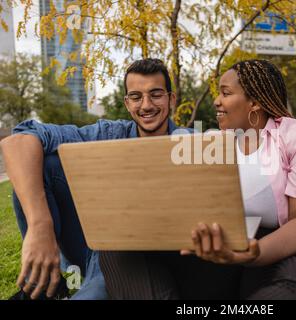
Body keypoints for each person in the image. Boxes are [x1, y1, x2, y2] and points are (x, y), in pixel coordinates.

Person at [99, 60, 296, 300]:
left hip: (282, 250)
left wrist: (254, 252)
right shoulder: (209, 143)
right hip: (217, 255)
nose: (216, 101)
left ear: (254, 101)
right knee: (118, 247)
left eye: (225, 93)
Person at [0, 58, 192, 300]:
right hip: (98, 247)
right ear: (126, 102)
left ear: (171, 99)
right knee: (43, 166)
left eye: (155, 94)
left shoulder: (192, 145)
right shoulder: (108, 134)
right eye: (136, 96)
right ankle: (44, 286)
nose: (146, 105)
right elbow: (18, 141)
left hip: (146, 257)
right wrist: (40, 227)